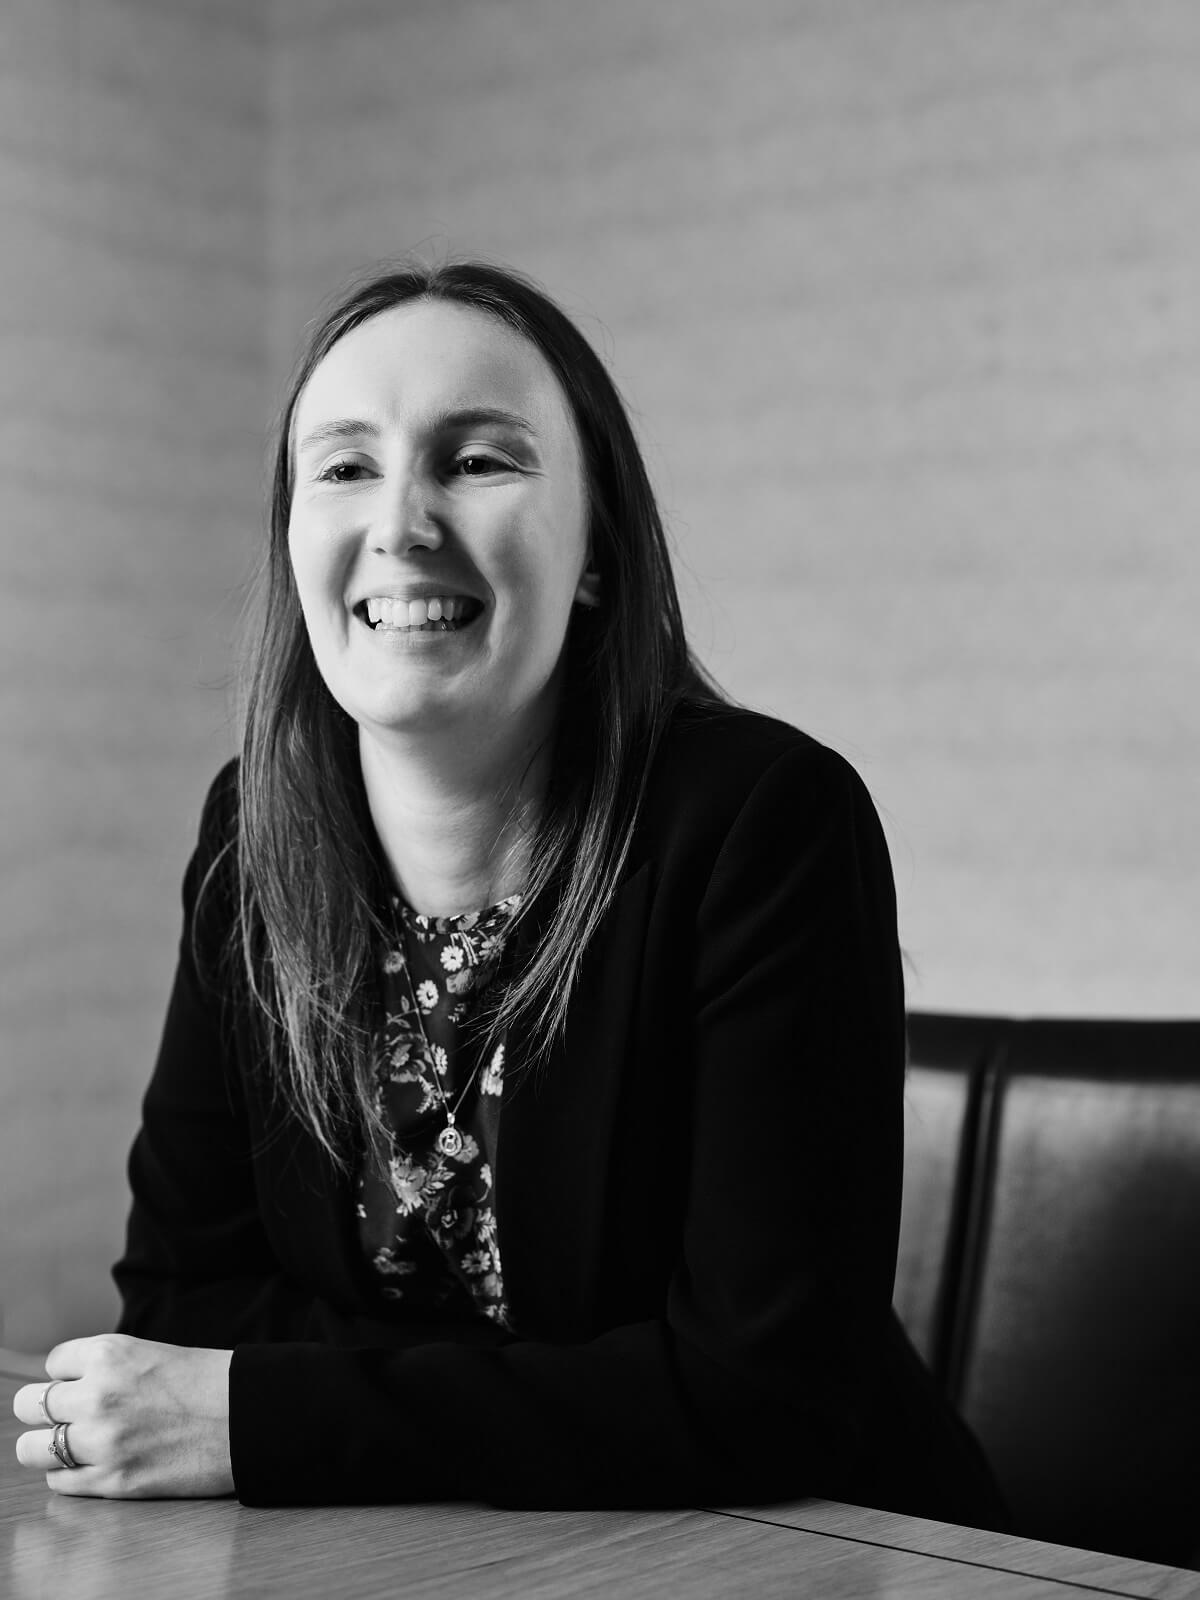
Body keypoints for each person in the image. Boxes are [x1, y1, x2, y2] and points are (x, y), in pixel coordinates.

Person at [13, 260, 1005, 1523]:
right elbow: (178, 1305)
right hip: (422, 1552)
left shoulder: (764, 822)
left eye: (477, 461)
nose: (401, 523)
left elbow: (765, 1395)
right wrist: (561, 1394)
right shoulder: (252, 834)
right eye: (345, 467)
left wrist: (270, 1412)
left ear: (597, 553)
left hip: (822, 1553)